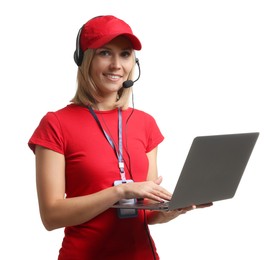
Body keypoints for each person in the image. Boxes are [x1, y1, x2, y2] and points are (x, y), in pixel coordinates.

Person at [28, 15, 211, 260]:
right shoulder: (56, 124)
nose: (117, 65)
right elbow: (51, 216)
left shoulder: (145, 123)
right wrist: (119, 192)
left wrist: (172, 209)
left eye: (125, 54)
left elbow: (145, 212)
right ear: (84, 59)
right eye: (105, 53)